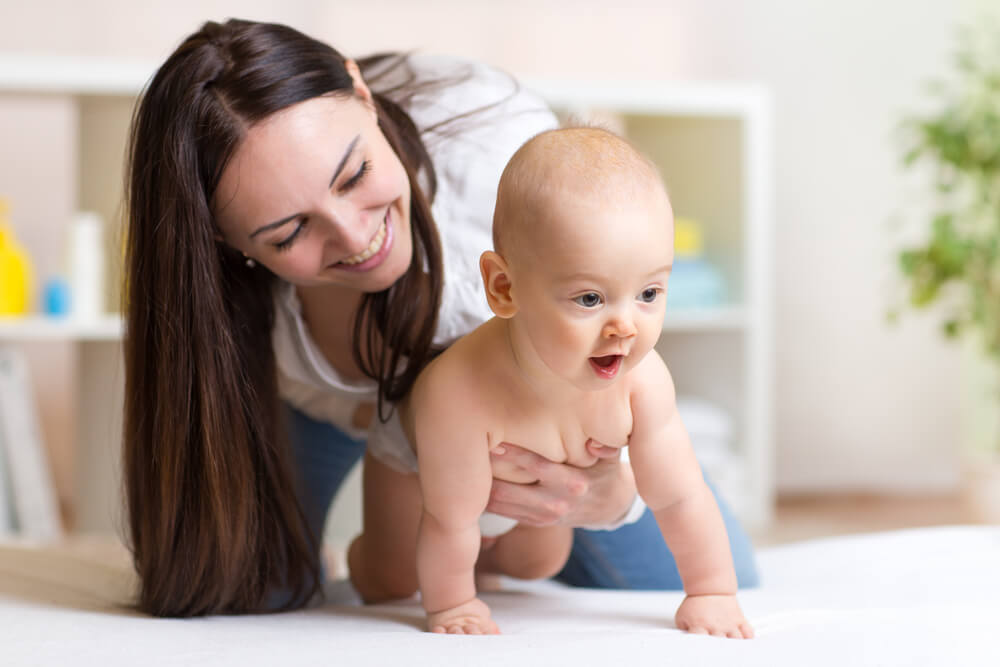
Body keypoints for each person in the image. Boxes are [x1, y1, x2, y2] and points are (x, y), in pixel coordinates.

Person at [122, 17, 759, 618]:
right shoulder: (224, 304)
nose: (355, 237)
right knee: (256, 590)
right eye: (290, 232)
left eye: (355, 174)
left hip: (523, 403)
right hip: (354, 411)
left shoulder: (493, 144)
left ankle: (488, 553)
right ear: (223, 240)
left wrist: (610, 492)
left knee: (662, 567)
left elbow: (673, 499)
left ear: (362, 93)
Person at [350, 127, 754, 638]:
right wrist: (453, 607)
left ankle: (485, 565)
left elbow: (680, 497)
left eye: (649, 293)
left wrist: (711, 591)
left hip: (533, 470)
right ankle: (370, 559)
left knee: (537, 561)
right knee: (395, 576)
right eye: (590, 299)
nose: (625, 327)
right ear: (504, 288)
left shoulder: (642, 383)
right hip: (420, 462)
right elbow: (448, 521)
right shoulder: (457, 393)